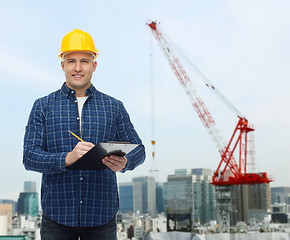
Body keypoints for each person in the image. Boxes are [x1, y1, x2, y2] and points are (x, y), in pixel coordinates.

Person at [23, 29, 146, 240]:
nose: (77, 68)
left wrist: (125, 162)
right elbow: (29, 156)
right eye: (71, 61)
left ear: (94, 65)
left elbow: (139, 150)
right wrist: (66, 158)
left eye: (84, 61)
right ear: (63, 65)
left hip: (102, 216)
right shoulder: (43, 106)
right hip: (57, 216)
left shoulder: (114, 107)